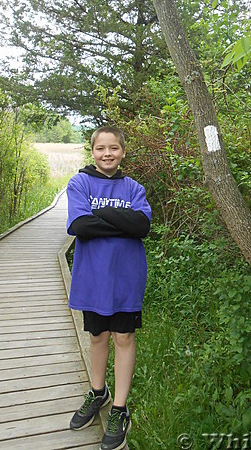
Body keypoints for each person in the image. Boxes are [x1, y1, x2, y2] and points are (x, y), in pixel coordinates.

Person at [66, 125, 151, 450]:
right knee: (98, 336)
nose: (107, 154)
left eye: (113, 148)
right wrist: (120, 220)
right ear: (93, 151)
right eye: (101, 148)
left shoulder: (133, 187)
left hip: (127, 279)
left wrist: (99, 212)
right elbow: (79, 226)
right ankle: (98, 391)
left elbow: (141, 226)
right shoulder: (80, 182)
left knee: (124, 337)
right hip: (93, 278)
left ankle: (119, 407)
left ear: (123, 152)